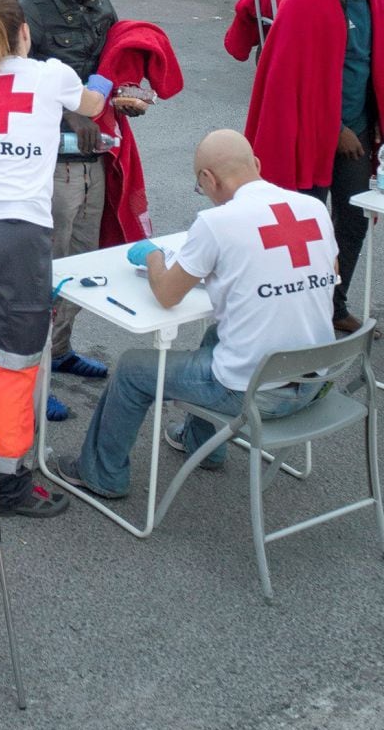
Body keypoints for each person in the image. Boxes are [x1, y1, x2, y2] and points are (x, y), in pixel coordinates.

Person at [54, 131, 336, 500]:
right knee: (215, 336)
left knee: (133, 368)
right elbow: (324, 274)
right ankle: (204, 445)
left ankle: (101, 475)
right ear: (257, 166)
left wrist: (153, 257)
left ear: (208, 179)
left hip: (254, 393)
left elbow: (168, 295)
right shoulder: (312, 209)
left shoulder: (217, 222)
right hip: (313, 380)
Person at [0, 0, 110, 516]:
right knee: (14, 366)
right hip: (16, 233)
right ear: (25, 34)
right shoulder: (49, 74)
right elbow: (92, 107)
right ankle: (9, 484)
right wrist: (106, 82)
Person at [21, 0, 181, 388]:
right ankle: (33, 375)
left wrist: (129, 94)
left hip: (97, 157)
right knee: (47, 268)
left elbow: (109, 67)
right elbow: (19, 81)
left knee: (82, 261)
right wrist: (72, 111)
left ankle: (61, 350)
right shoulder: (31, 10)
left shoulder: (101, 4)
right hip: (54, 162)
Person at [245, 0, 384, 333]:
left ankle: (333, 305)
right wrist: (335, 128)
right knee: (300, 228)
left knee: (354, 220)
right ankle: (289, 315)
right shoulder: (305, 3)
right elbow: (289, 83)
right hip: (310, 135)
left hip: (357, 131)